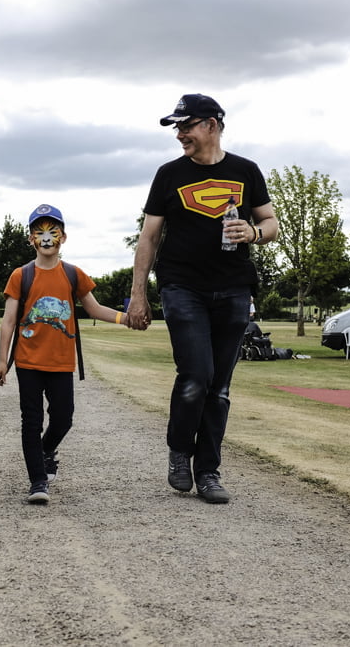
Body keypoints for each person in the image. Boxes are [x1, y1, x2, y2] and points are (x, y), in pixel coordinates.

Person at [126, 93, 279, 504]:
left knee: (220, 387)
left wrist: (253, 233)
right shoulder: (169, 174)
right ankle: (180, 450)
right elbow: (149, 236)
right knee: (196, 376)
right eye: (177, 128)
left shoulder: (245, 171)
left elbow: (270, 222)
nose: (180, 135)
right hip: (182, 287)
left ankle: (208, 472)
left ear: (212, 124)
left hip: (233, 288)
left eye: (186, 125)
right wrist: (138, 295)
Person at [0, 204, 132, 505]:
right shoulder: (21, 275)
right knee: (30, 421)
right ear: (31, 238)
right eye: (39, 232)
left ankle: (46, 449)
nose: (46, 237)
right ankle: (38, 481)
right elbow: (8, 320)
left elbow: (93, 309)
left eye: (52, 231)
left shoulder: (72, 274)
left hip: (61, 362)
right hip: (28, 361)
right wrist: (2, 360)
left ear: (63, 237)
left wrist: (126, 318)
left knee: (63, 419)